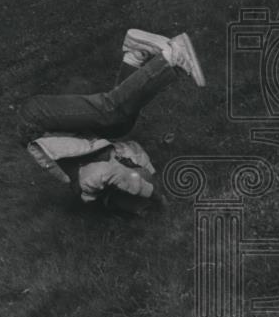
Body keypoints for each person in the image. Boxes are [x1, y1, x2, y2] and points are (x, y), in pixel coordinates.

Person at [17, 29, 205, 214]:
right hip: (54, 128)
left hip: (37, 119)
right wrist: (146, 187)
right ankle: (136, 54)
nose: (134, 170)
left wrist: (155, 195)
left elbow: (122, 177)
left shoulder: (91, 180)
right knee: (119, 125)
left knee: (110, 111)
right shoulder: (107, 168)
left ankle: (171, 58)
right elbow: (138, 165)